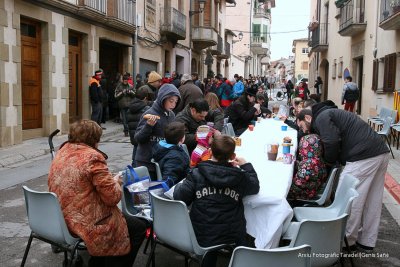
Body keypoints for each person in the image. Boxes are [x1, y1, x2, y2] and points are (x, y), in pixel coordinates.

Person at [48, 119, 146, 267]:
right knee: (138, 227)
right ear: (94, 139)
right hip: (84, 221)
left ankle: (97, 261)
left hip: (61, 216)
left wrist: (107, 181)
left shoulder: (63, 151)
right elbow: (112, 198)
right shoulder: (93, 157)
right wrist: (116, 182)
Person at [296, 102, 390, 251]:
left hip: (363, 155)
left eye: (301, 126)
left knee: (348, 198)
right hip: (379, 151)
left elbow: (331, 141)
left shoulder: (321, 117)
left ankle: (347, 239)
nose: (303, 130)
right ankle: (366, 241)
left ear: (308, 117)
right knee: (373, 200)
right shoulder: (329, 114)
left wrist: (328, 162)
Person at [173, 135, 260, 267]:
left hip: (202, 231)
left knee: (210, 243)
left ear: (210, 152)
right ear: (232, 156)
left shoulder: (197, 173)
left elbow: (179, 197)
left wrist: (182, 183)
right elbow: (254, 187)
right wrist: (246, 166)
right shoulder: (239, 176)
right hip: (232, 233)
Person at [134, 84, 181, 179]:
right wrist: (148, 126)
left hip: (161, 161)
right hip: (146, 162)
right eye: (171, 101)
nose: (173, 104)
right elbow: (138, 138)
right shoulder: (149, 113)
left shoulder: (171, 115)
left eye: (176, 102)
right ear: (162, 99)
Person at [287, 134, 328, 205]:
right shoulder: (319, 160)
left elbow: (297, 185)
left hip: (304, 195)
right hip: (314, 190)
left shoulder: (307, 165)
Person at [152, 121, 189, 186]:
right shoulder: (175, 157)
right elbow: (168, 180)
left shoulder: (160, 146)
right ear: (181, 139)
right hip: (180, 187)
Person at [127, 89, 151, 166]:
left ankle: (133, 170)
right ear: (145, 98)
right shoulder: (146, 109)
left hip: (133, 136)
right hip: (142, 136)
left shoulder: (130, 108)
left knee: (135, 157)